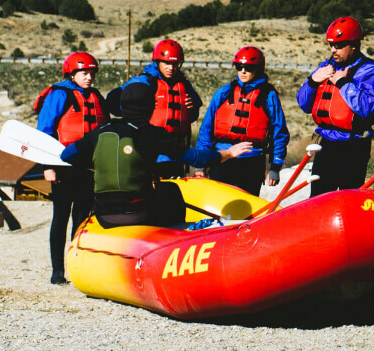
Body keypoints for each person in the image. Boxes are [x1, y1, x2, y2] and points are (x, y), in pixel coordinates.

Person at [60, 82, 253, 228]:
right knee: (171, 191)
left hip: (103, 215)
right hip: (139, 215)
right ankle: (173, 240)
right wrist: (229, 152)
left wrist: (99, 163)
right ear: (149, 107)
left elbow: (66, 155)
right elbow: (198, 159)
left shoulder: (99, 131)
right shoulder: (153, 134)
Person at [296, 16, 374, 197]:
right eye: (331, 45)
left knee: (349, 199)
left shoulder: (370, 70)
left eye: (339, 46)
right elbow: (303, 104)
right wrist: (312, 81)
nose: (333, 50)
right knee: (318, 199)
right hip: (326, 144)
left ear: (354, 44)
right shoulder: (325, 67)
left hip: (353, 146)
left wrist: (343, 83)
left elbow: (367, 107)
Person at [35, 52, 108, 284]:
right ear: (72, 74)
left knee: (82, 218)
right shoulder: (59, 95)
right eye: (84, 73)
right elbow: (44, 132)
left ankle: (78, 268)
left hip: (89, 168)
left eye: (92, 73)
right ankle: (57, 272)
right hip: (63, 166)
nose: (89, 78)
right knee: (61, 217)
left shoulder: (96, 96)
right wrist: (48, 167)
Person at [192, 46, 290, 195]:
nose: (243, 71)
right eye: (239, 67)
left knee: (246, 210)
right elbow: (206, 129)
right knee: (220, 205)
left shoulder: (268, 96)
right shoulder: (224, 92)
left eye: (248, 67)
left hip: (252, 160)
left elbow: (279, 131)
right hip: (222, 158)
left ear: (258, 69)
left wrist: (275, 166)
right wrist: (201, 164)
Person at [118, 39, 203, 179]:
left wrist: (190, 107)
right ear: (157, 62)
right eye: (167, 63)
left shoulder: (184, 84)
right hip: (149, 150)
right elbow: (121, 104)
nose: (171, 67)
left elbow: (193, 115)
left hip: (175, 151)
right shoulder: (144, 81)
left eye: (175, 63)